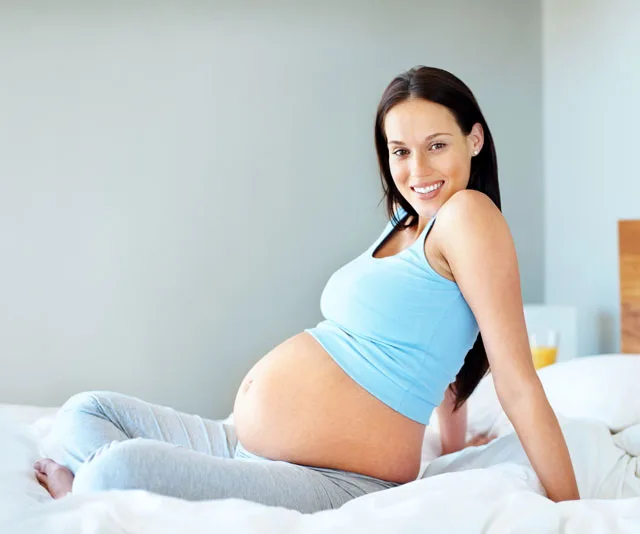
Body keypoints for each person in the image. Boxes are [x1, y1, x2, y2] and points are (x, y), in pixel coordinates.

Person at [33, 65, 580, 512]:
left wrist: (571, 511)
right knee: (84, 410)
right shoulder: (407, 219)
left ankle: (94, 492)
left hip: (336, 478)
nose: (417, 170)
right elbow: (429, 341)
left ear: (475, 138)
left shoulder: (470, 216)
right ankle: (131, 486)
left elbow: (516, 380)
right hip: (245, 445)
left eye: (437, 145)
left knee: (112, 467)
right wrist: (454, 444)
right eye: (400, 152)